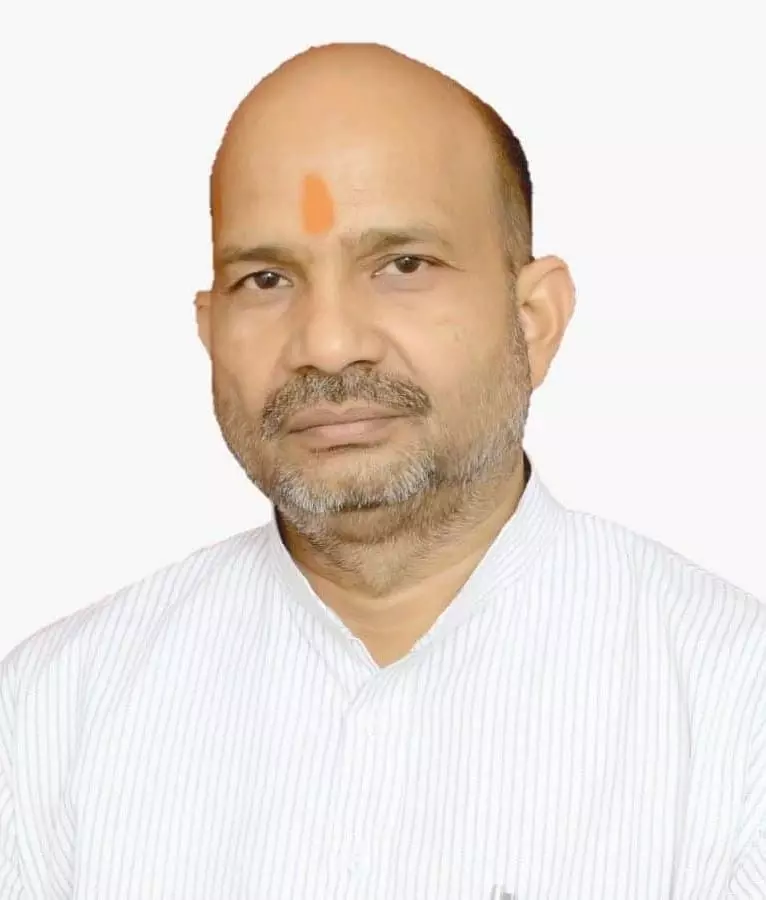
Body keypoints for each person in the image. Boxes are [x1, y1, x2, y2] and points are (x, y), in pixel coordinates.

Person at [1, 42, 764, 900]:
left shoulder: (735, 714)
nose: (329, 344)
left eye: (403, 265)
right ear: (209, 331)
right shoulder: (49, 719)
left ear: (535, 319)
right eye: (266, 279)